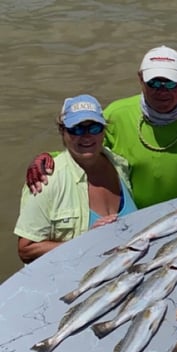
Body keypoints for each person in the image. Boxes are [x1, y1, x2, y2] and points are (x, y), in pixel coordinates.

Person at [25, 45, 177, 208]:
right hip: (130, 220)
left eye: (169, 84)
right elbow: (86, 148)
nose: (161, 91)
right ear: (140, 80)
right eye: (153, 83)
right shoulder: (116, 114)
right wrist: (49, 158)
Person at [15, 95, 137, 263]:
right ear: (62, 132)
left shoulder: (120, 165)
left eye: (94, 128)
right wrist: (86, 241)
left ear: (103, 130)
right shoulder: (45, 180)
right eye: (76, 129)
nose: (86, 136)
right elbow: (26, 249)